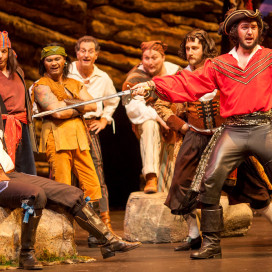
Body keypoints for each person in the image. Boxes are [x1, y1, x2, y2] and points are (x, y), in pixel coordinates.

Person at [132, 9, 272, 259]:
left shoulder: (269, 58)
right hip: (234, 129)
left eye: (253, 27)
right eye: (244, 27)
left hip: (264, 127)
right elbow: (188, 83)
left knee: (257, 188)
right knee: (209, 180)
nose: (250, 31)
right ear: (233, 33)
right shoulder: (220, 65)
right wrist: (153, 85)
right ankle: (210, 243)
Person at [0, 112, 141, 270]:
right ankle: (26, 253)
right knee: (34, 194)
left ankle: (108, 241)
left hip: (9, 173)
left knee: (71, 193)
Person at [32, 43, 101, 202]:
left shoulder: (74, 83)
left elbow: (93, 104)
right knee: (62, 185)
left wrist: (67, 103)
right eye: (49, 60)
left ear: (65, 61)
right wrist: (78, 105)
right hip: (57, 139)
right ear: (44, 63)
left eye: (57, 59)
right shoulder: (41, 86)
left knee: (92, 183)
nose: (54, 63)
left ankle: (98, 223)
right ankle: (64, 223)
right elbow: (58, 112)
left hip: (80, 139)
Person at [68, 36, 120, 244]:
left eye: (90, 51)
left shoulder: (103, 77)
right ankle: (66, 225)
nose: (86, 55)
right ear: (77, 53)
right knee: (68, 177)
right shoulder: (67, 71)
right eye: (82, 51)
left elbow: (113, 100)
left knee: (96, 175)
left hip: (89, 127)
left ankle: (102, 224)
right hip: (69, 126)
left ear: (96, 55)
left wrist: (104, 119)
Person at [122, 41, 180, 193]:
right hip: (148, 124)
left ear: (163, 57)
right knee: (149, 124)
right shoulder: (135, 77)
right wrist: (160, 118)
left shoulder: (176, 73)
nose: (150, 62)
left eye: (154, 57)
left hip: (175, 124)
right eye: (146, 58)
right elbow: (134, 108)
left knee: (170, 170)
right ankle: (151, 176)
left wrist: (173, 120)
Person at [0, 31, 36, 175]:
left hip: (22, 127)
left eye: (3, 51)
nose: (0, 56)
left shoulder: (18, 72)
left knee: (26, 169)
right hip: (2, 127)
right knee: (7, 170)